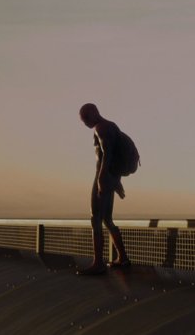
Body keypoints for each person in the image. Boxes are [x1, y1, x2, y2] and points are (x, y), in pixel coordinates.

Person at [77, 103, 131, 275]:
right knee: (107, 219)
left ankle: (98, 263)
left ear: (94, 113)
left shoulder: (101, 128)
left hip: (104, 176)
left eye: (86, 118)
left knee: (96, 218)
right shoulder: (112, 126)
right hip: (111, 177)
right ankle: (122, 257)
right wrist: (116, 181)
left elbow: (107, 154)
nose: (85, 123)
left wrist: (101, 179)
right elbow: (116, 156)